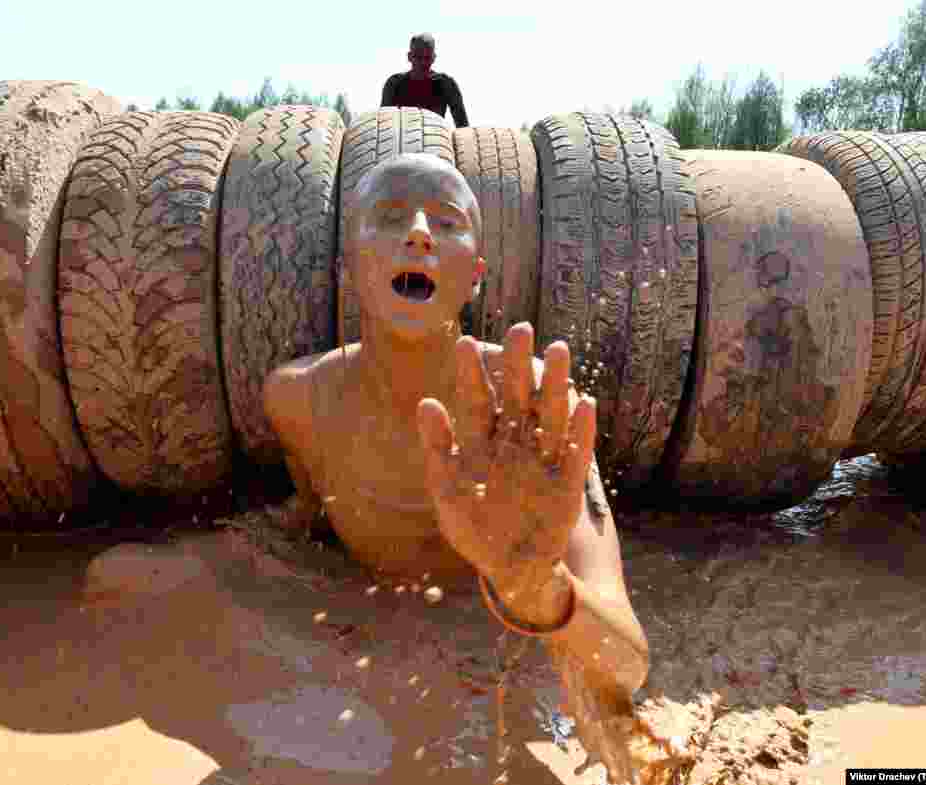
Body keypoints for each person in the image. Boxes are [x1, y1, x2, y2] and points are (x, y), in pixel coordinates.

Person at [261, 153, 654, 778]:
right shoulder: (298, 400)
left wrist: (535, 586)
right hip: (369, 653)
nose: (418, 232)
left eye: (444, 222)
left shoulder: (536, 410)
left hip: (507, 656)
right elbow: (304, 535)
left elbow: (627, 662)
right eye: (389, 218)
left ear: (475, 275)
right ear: (348, 269)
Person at [381, 33, 470, 128]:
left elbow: (462, 125)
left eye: (427, 58)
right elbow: (383, 123)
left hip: (434, 138)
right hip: (401, 139)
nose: (423, 63)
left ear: (434, 58)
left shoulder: (446, 84)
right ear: (409, 57)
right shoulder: (394, 83)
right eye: (418, 57)